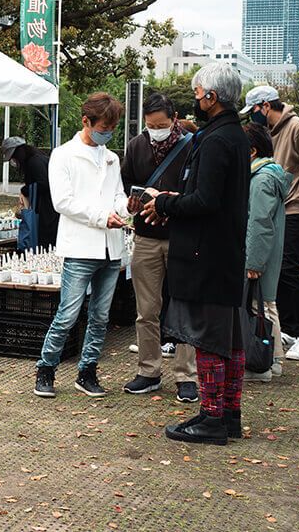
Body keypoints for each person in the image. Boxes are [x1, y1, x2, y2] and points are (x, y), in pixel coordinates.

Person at [141, 63, 249, 445]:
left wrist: (165, 203)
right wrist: (174, 201)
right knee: (230, 340)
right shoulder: (233, 135)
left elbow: (205, 200)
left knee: (208, 340)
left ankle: (212, 417)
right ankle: (228, 414)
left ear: (212, 97)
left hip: (207, 254)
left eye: (198, 92)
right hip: (223, 251)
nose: (196, 98)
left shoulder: (217, 140)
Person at [32, 93, 128, 400]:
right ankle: (46, 368)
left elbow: (118, 195)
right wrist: (102, 217)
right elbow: (63, 201)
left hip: (111, 248)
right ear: (86, 121)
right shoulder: (64, 155)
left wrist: (127, 208)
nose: (107, 133)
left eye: (112, 128)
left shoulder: (111, 157)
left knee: (100, 317)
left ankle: (87, 371)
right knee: (68, 314)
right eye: (103, 128)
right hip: (80, 247)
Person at [120, 93, 198, 403]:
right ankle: (148, 370)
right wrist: (132, 201)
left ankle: (187, 375)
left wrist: (168, 200)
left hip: (182, 235)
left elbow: (199, 191)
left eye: (161, 125)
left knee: (184, 306)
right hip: (145, 236)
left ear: (174, 118)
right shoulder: (136, 146)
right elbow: (125, 183)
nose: (156, 131)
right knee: (146, 309)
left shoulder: (192, 145)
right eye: (151, 126)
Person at [240, 85, 299, 362]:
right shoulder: (268, 131)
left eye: (253, 111)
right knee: (276, 270)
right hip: (274, 205)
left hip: (295, 207)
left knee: (289, 269)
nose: (252, 117)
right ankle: (289, 327)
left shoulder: (297, 127)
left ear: (265, 106)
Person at [243, 123, 291, 381]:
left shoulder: (261, 180)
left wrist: (254, 262)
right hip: (264, 253)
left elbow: (259, 223)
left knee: (261, 306)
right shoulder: (268, 175)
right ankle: (273, 360)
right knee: (264, 305)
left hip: (260, 254)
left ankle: (266, 362)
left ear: (252, 151)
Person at [2, 136, 59, 250]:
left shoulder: (34, 162)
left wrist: (25, 190)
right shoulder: (38, 158)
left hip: (47, 210)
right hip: (49, 208)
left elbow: (43, 184)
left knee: (45, 244)